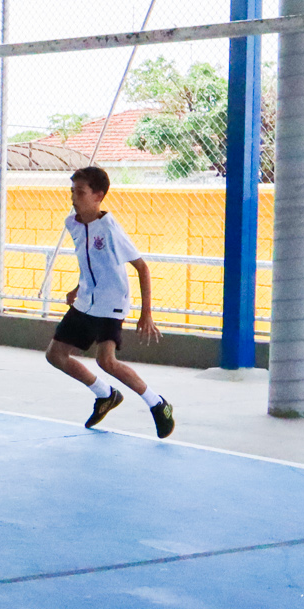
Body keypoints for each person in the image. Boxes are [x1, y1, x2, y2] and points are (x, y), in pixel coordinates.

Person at [47, 166, 174, 438]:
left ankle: (158, 404)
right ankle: (105, 395)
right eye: (72, 191)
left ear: (98, 196)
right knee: (55, 355)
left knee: (106, 361)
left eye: (80, 192)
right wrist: (77, 288)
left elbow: (142, 268)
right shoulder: (73, 223)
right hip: (86, 299)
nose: (73, 198)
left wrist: (146, 313)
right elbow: (92, 263)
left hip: (112, 303)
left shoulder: (111, 230)